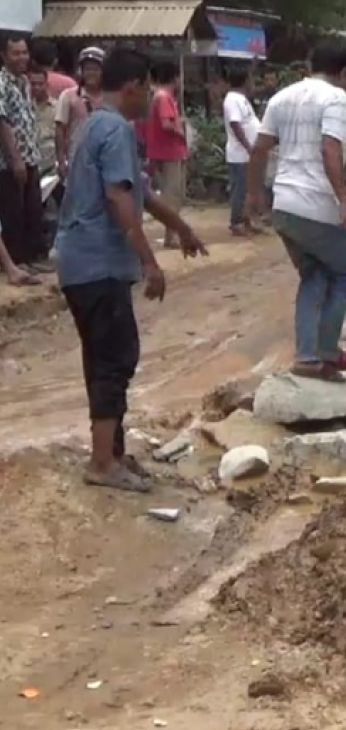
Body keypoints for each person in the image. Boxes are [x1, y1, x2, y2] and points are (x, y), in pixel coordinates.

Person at [56, 48, 206, 492]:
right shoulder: (116, 130)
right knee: (116, 359)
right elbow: (120, 199)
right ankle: (103, 463)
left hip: (78, 262)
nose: (151, 98)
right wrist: (149, 260)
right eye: (148, 88)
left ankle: (111, 452)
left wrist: (180, 227)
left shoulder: (91, 126)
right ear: (133, 87)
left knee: (101, 357)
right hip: (98, 263)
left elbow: (140, 192)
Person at [248, 43, 346, 383]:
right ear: (344, 73)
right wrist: (343, 199)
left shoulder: (282, 97)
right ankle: (325, 354)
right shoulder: (336, 98)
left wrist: (255, 195)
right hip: (317, 205)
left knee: (313, 275)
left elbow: (260, 148)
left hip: (285, 205)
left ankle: (307, 356)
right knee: (339, 274)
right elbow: (330, 147)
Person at [0, 34, 45, 273]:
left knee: (32, 209)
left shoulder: (25, 83)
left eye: (24, 52)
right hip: (9, 162)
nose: (22, 57)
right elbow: (2, 121)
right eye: (16, 53)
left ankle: (31, 258)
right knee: (13, 212)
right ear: (4, 56)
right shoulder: (1, 83)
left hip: (31, 156)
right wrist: (15, 158)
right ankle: (16, 262)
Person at [145, 61, 188, 249]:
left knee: (169, 193)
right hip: (170, 151)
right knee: (173, 194)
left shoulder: (158, 96)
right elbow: (166, 124)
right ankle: (171, 235)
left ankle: (171, 234)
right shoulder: (164, 97)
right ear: (175, 78)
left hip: (161, 150)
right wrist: (182, 133)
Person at [222, 68, 261, 236]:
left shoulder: (241, 99)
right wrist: (248, 146)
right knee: (240, 189)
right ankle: (236, 222)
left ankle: (246, 220)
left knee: (248, 189)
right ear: (245, 80)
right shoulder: (232, 100)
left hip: (247, 153)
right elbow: (235, 124)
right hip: (239, 154)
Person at [55, 46, 104, 174]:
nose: (91, 73)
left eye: (95, 69)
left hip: (104, 159)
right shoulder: (68, 96)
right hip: (75, 160)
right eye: (87, 69)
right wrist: (61, 161)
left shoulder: (110, 97)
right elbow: (60, 129)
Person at [28, 66, 56, 175]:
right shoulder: (24, 108)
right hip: (30, 166)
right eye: (33, 84)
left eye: (40, 84)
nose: (36, 87)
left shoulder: (58, 108)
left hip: (52, 168)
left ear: (47, 85)